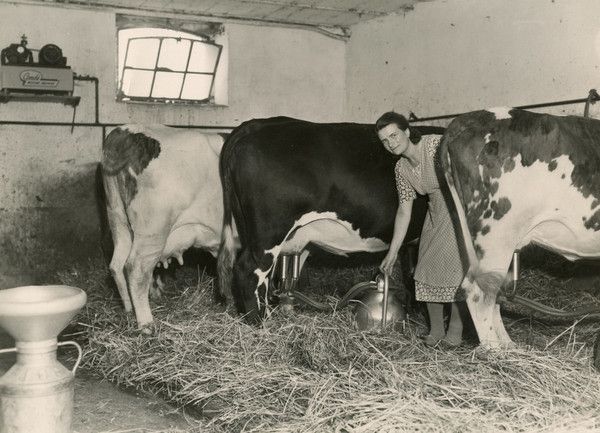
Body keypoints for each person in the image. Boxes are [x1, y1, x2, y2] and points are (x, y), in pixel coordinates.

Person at [375, 111, 466, 347]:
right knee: (425, 268)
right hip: (435, 211)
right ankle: (436, 332)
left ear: (406, 132)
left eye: (394, 135)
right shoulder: (401, 169)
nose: (391, 143)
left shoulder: (434, 144)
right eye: (385, 141)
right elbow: (404, 210)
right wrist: (392, 252)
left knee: (456, 271)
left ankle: (455, 332)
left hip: (460, 207)